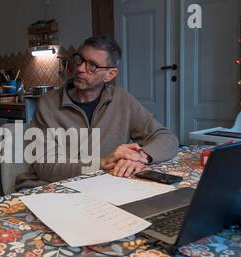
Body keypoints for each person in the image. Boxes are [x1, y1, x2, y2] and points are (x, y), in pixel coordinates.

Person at [16, 36, 179, 190]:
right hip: (52, 186)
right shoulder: (48, 104)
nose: (80, 68)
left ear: (110, 74)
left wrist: (141, 156)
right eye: (79, 59)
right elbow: (45, 166)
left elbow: (167, 138)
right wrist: (101, 163)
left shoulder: (122, 99)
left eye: (92, 65)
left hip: (103, 186)